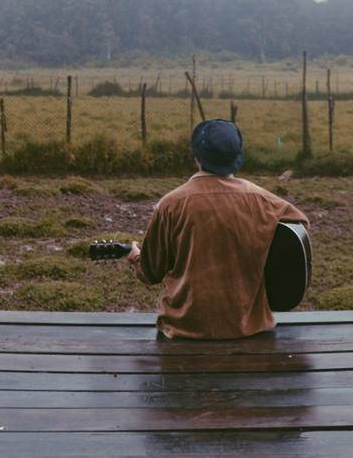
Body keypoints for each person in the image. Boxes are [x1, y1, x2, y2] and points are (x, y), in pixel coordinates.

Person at [127, 118, 309, 340]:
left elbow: (150, 272)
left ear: (196, 158)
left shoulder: (170, 204)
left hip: (184, 330)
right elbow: (299, 228)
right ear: (237, 157)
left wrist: (136, 257)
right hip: (249, 328)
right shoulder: (265, 201)